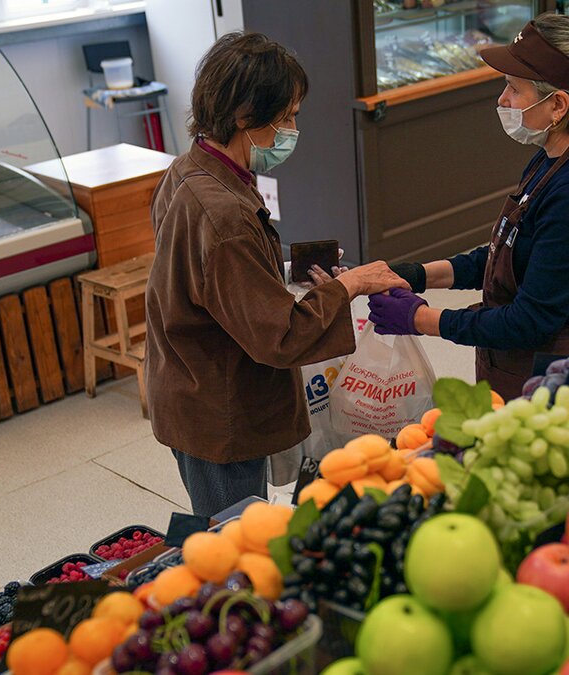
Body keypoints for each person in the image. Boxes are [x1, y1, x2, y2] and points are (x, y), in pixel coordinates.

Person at [145, 33, 407, 519]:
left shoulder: (189, 170)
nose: (290, 130)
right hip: (218, 408)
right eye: (284, 117)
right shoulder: (223, 213)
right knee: (234, 543)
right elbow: (280, 336)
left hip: (187, 384)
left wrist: (279, 271)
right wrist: (349, 285)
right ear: (245, 118)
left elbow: (206, 279)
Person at [369, 14, 569, 400]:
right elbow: (505, 256)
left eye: (513, 88)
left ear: (557, 104)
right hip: (516, 367)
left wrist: (420, 318)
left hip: (550, 382)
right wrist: (413, 275)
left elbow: (531, 322)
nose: (502, 100)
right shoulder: (552, 156)